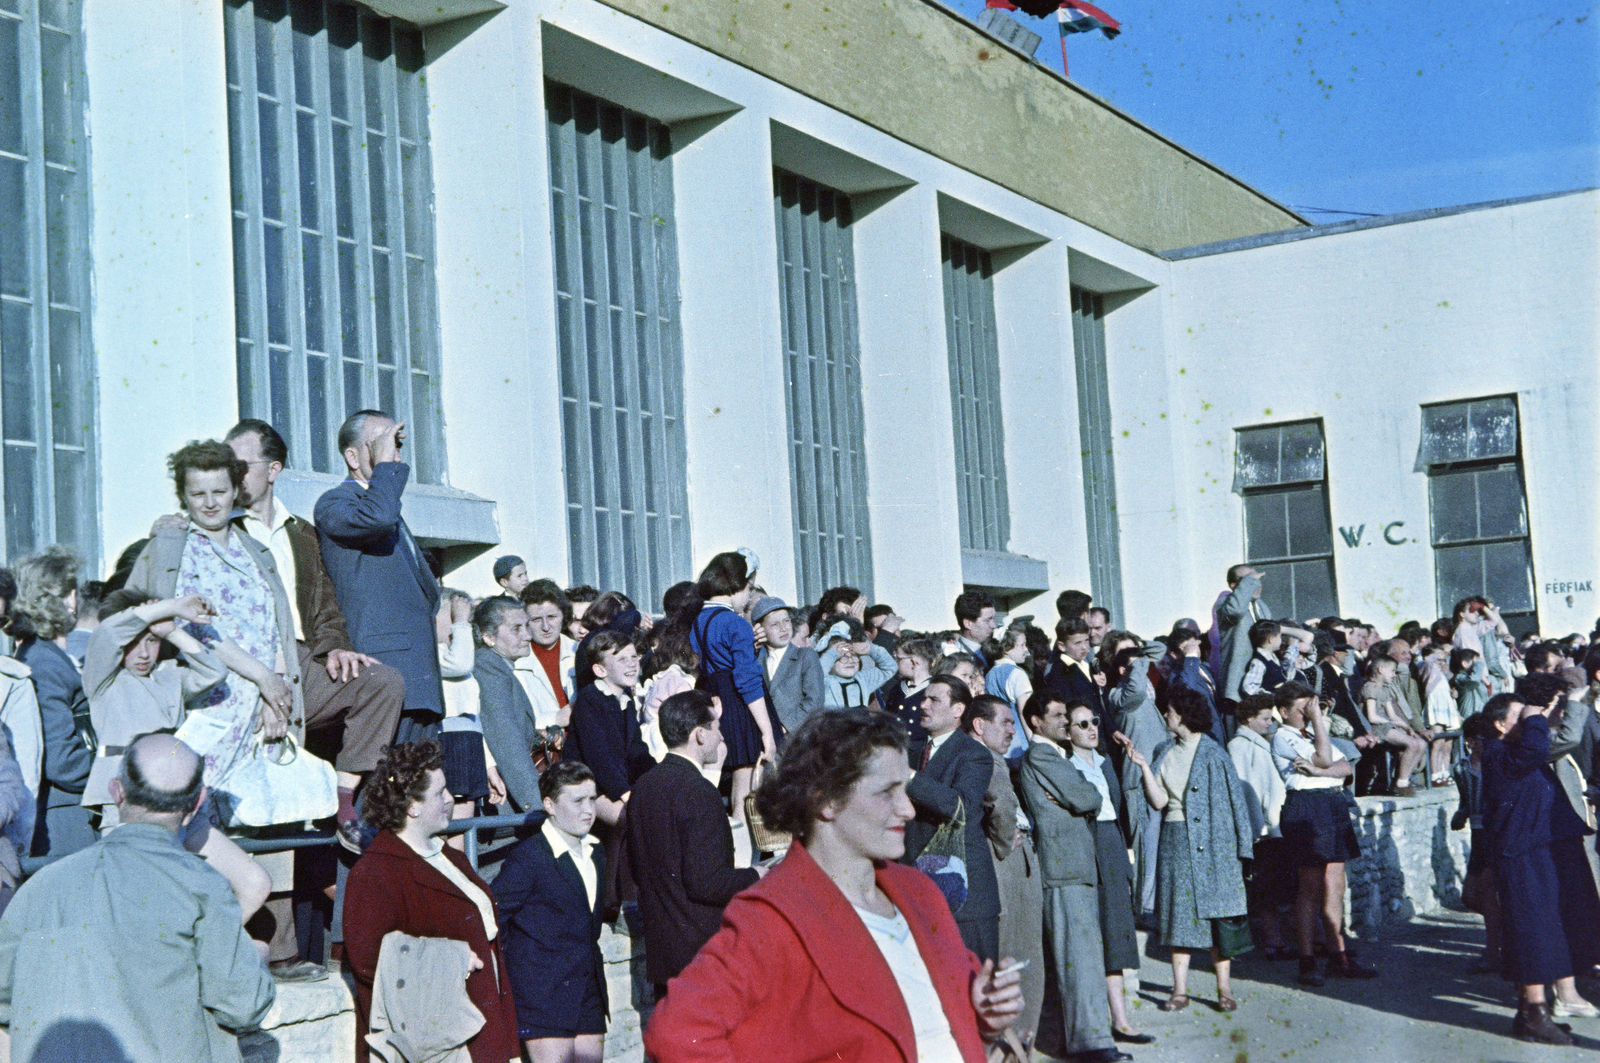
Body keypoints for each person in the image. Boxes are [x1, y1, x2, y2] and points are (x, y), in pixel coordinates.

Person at [643, 708, 1024, 1062]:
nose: (908, 809)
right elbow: (674, 1033)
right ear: (824, 800)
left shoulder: (920, 891)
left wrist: (983, 1016)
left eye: (904, 790)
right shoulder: (772, 915)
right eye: (885, 792)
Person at [0, 734, 276, 1063]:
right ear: (197, 803)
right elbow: (243, 1006)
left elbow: (5, 999)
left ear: (116, 791)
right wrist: (256, 960)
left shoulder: (40, 886)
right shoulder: (203, 888)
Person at [226, 419, 406, 847]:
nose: (227, 475)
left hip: (302, 663)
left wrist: (338, 648)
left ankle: (343, 799)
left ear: (273, 470)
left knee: (382, 682)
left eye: (239, 464)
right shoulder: (217, 531)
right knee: (254, 827)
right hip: (242, 667)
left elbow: (325, 606)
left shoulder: (303, 534)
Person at [343, 740, 519, 1063]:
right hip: (438, 1045)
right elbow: (368, 962)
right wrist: (448, 959)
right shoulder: (374, 872)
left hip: (482, 1027)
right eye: (440, 793)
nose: (451, 799)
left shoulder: (451, 857)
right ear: (412, 806)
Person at [1119, 686, 1255, 1014]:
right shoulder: (1165, 750)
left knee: (1218, 918)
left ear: (1183, 715)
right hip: (1176, 841)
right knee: (1178, 918)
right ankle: (1179, 991)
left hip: (1214, 845)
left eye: (1169, 710)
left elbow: (1234, 805)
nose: (1165, 715)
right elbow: (1159, 801)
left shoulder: (1214, 754)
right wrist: (1142, 766)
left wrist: (1241, 851)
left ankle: (1224, 989)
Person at [315, 410, 444, 744]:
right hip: (384, 675)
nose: (394, 456)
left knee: (416, 789)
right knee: (382, 790)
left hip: (418, 680)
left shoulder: (386, 508)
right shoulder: (337, 502)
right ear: (353, 456)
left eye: (396, 446)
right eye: (383, 446)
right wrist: (386, 469)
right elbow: (377, 519)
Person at [1481, 686, 1600, 1044]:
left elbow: (1546, 741)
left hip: (1541, 849)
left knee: (1550, 927)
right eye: (1521, 717)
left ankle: (1530, 1014)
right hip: (1522, 854)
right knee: (1532, 930)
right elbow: (1536, 745)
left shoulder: (1517, 751)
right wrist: (1534, 714)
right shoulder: (1498, 752)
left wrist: (1542, 713)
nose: (1531, 723)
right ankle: (1535, 1014)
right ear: (1500, 725)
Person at [626, 690, 763, 997]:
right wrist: (757, 875)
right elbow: (708, 883)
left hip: (664, 957)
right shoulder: (699, 791)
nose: (721, 736)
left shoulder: (644, 787)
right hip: (702, 956)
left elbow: (637, 869)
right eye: (716, 728)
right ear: (700, 735)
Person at [1018, 692, 1128, 1063]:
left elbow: (1083, 797)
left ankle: (1085, 1040)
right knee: (1079, 960)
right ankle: (1092, 1045)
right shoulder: (1044, 755)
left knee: (1081, 957)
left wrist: (1078, 795)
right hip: (1064, 868)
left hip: (1073, 867)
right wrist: (1081, 796)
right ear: (1036, 721)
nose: (1067, 721)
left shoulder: (1055, 757)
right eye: (1059, 715)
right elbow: (1087, 798)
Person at [80, 590, 226, 828]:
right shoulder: (103, 680)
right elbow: (109, 631)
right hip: (126, 795)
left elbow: (215, 672)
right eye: (132, 643)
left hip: (174, 793)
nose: (144, 653)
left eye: (151, 640)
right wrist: (169, 606)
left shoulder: (170, 676)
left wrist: (171, 630)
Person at [496, 761, 609, 1062]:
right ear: (549, 805)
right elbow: (494, 915)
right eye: (577, 801)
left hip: (587, 991)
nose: (589, 810)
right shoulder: (528, 858)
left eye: (592, 799)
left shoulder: (596, 851)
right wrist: (530, 966)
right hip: (543, 995)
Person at [1270, 683, 1374, 985]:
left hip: (1331, 803)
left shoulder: (1313, 735)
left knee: (1335, 886)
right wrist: (1319, 722)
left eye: (1311, 707)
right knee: (1310, 889)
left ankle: (1338, 956)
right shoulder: (1283, 737)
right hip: (1306, 807)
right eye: (1303, 709)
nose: (1308, 713)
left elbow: (1346, 768)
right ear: (1285, 712)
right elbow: (1329, 760)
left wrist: (1317, 772)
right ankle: (1307, 961)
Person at [1062, 702, 1151, 1048]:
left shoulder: (1105, 762)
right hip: (1084, 843)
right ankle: (1096, 1022)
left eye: (1094, 722)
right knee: (1090, 932)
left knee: (1115, 930)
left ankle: (1121, 1019)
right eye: (1081, 724)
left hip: (1111, 841)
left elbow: (1116, 807)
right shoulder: (1063, 765)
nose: (1090, 728)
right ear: (1067, 731)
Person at [963, 695, 1046, 1049]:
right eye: (1006, 722)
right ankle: (1019, 1043)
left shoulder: (981, 755)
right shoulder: (987, 759)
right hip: (1008, 862)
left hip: (1003, 860)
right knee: (1020, 949)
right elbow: (1000, 806)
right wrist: (1001, 841)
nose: (1013, 730)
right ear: (980, 725)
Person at [905, 675, 1002, 960]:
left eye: (934, 699)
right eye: (923, 698)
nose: (923, 705)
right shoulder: (909, 751)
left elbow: (962, 807)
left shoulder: (974, 754)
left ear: (958, 709)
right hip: (918, 889)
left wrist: (910, 778)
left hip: (964, 896)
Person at [8, 549, 95, 857]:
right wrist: (114, 774)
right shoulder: (44, 662)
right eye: (70, 591)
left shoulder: (47, 656)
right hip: (66, 818)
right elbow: (62, 761)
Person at [679, 552, 777, 822]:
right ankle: (741, 858)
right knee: (746, 796)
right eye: (749, 589)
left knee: (735, 789)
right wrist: (767, 732)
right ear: (736, 587)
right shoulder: (736, 623)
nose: (748, 598)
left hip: (715, 701)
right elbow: (748, 682)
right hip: (740, 706)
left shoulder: (697, 621)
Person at [565, 630, 653, 828]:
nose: (632, 663)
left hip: (613, 783)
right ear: (600, 670)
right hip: (584, 784)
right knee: (630, 820)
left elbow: (637, 750)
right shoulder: (590, 699)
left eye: (633, 656)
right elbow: (598, 758)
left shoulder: (625, 700)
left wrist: (658, 778)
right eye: (622, 659)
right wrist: (625, 794)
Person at [1227, 694, 1292, 959]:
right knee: (1266, 889)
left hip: (1273, 825)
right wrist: (1257, 829)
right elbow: (1246, 790)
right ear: (1248, 719)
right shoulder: (1240, 746)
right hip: (1262, 831)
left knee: (1275, 888)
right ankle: (1272, 943)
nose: (1269, 723)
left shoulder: (1258, 743)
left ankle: (1277, 940)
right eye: (1265, 718)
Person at [473, 596, 542, 813]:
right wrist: (537, 806)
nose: (528, 635)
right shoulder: (489, 669)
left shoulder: (499, 667)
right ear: (488, 637)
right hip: (505, 804)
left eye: (527, 626)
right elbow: (506, 739)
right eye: (516, 629)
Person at [1450, 711, 1501, 973]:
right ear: (1470, 741)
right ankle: (1503, 933)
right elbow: (1465, 803)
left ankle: (1494, 951)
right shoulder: (1460, 768)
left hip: (1497, 833)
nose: (1485, 743)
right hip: (1478, 834)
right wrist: (1460, 816)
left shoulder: (1501, 762)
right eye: (1480, 738)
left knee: (1489, 894)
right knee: (1470, 897)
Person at [752, 596, 824, 737]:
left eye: (786, 621)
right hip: (765, 739)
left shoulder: (805, 656)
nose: (783, 628)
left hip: (797, 738)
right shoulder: (755, 659)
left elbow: (815, 701)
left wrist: (784, 727)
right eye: (774, 624)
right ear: (760, 630)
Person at [1358, 654, 1428, 796]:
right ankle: (1400, 783)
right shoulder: (1370, 687)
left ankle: (1404, 779)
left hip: (1386, 725)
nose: (1394, 675)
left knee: (1421, 743)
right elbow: (1371, 716)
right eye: (1392, 671)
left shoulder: (1385, 688)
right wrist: (1391, 723)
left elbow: (1393, 715)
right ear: (1381, 669)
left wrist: (1407, 728)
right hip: (1375, 727)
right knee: (1412, 744)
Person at [516, 580, 576, 729]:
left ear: (564, 616)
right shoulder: (515, 662)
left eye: (551, 617)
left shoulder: (579, 651)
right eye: (536, 619)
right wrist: (555, 718)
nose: (546, 627)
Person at [1213, 564, 1271, 707]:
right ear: (1233, 585)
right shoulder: (1225, 604)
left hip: (1261, 682)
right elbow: (1235, 611)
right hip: (1237, 687)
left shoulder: (1262, 606)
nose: (1256, 583)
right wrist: (1249, 582)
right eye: (1249, 579)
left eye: (1257, 578)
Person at [983, 625, 1036, 764]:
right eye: (1022, 645)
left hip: (998, 742)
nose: (1026, 649)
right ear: (1006, 649)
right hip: (1019, 743)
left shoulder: (989, 674)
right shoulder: (1017, 673)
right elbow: (1024, 713)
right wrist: (1034, 744)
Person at [821, 622, 898, 710]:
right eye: (843, 656)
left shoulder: (863, 679)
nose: (850, 661)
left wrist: (871, 649)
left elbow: (890, 667)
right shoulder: (825, 681)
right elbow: (817, 673)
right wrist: (832, 653)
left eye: (854, 655)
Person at [1045, 617, 1102, 727]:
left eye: (1086, 640)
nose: (1084, 647)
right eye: (1077, 643)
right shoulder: (1058, 674)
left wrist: (1113, 730)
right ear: (1062, 646)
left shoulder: (1086, 665)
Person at [882, 636, 935, 746]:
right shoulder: (896, 689)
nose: (895, 663)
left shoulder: (935, 689)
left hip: (922, 750)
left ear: (914, 662)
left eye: (898, 659)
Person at [953, 591, 997, 668]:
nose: (994, 625)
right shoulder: (955, 658)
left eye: (993, 619)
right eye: (987, 620)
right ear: (968, 624)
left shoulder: (992, 650)